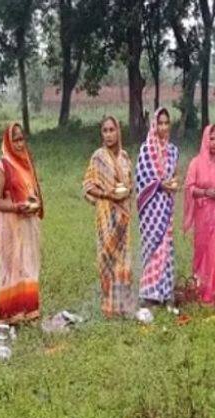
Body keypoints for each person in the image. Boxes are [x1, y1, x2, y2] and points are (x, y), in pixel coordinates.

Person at [83, 116, 135, 317]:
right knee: (107, 259)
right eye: (105, 130)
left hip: (122, 217)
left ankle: (122, 306)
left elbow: (129, 184)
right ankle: (108, 308)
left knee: (123, 262)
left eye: (112, 130)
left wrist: (126, 192)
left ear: (118, 132)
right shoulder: (98, 157)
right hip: (106, 216)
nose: (108, 134)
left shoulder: (125, 157)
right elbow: (88, 185)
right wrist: (108, 194)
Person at [0, 123, 43, 324]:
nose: (20, 144)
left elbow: (34, 193)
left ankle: (29, 310)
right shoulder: (2, 166)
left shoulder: (27, 163)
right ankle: (11, 314)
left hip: (28, 223)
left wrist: (34, 204)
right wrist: (17, 207)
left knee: (28, 264)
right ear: (8, 141)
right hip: (12, 225)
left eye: (22, 139)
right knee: (13, 264)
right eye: (15, 139)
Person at [183, 124, 215, 306]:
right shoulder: (196, 163)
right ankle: (201, 288)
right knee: (202, 251)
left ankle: (214, 291)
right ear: (205, 139)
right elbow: (189, 188)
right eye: (211, 138)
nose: (214, 143)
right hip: (202, 215)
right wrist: (207, 193)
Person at [136, 107, 180, 307]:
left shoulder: (173, 151)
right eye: (160, 123)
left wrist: (173, 183)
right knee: (153, 246)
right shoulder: (146, 150)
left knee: (166, 246)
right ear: (154, 125)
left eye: (166, 123)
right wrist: (160, 185)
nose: (163, 127)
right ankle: (149, 293)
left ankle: (164, 291)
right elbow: (142, 180)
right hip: (151, 209)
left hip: (166, 206)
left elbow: (174, 175)